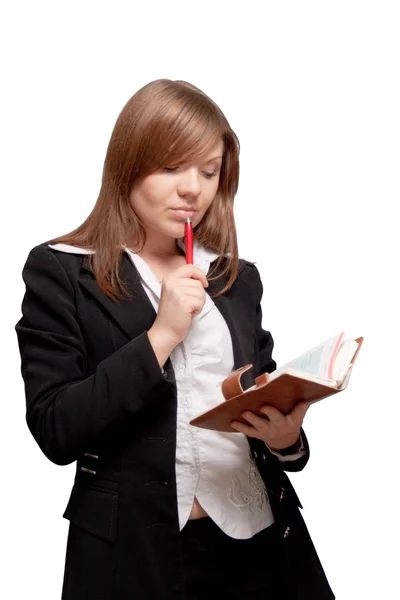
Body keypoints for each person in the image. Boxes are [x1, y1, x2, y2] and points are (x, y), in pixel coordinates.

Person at [15, 79, 335, 600]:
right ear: (128, 166)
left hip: (261, 547)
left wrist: (285, 440)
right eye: (171, 167)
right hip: (134, 555)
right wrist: (160, 335)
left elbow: (260, 402)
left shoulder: (236, 277)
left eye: (209, 171)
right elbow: (56, 429)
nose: (194, 189)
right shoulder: (61, 271)